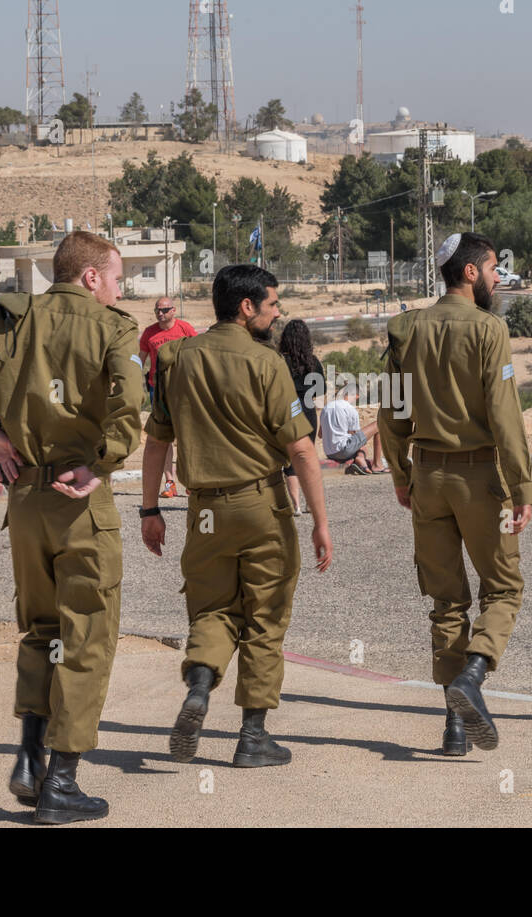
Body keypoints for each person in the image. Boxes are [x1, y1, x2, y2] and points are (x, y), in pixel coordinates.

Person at [0, 230, 144, 823]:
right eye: (117, 278)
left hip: (24, 496)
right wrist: (101, 462)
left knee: (41, 629)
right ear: (90, 277)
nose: (118, 289)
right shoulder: (114, 328)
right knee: (87, 636)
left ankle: (29, 760)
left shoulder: (10, 317)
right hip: (77, 497)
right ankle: (63, 782)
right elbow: (131, 406)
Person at [141, 264, 333, 768]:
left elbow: (156, 440)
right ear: (246, 308)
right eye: (272, 304)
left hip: (202, 511)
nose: (276, 313)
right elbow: (302, 450)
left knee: (211, 610)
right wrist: (319, 521)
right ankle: (252, 737)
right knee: (264, 617)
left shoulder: (174, 357)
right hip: (260, 505)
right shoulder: (265, 362)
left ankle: (200, 684)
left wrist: (149, 509)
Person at [378, 232, 532, 755]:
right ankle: (473, 674)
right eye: (492, 269)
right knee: (504, 590)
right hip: (481, 479)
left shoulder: (406, 329)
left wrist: (401, 473)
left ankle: (455, 727)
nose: (496, 278)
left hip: (427, 476)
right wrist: (522, 483)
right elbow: (504, 415)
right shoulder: (490, 329)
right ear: (470, 272)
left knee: (446, 603)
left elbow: (393, 410)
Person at [139, 297, 197, 497]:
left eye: (163, 310)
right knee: (162, 437)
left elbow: (196, 355)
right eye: (157, 310)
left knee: (186, 435)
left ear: (173, 310)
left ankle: (190, 480)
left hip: (183, 389)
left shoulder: (185, 329)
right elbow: (141, 359)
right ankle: (169, 482)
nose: (159, 313)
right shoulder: (149, 332)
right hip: (158, 390)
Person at [278, 318, 324, 513]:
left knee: (290, 461)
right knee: (308, 459)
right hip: (309, 411)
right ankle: (310, 503)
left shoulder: (280, 362)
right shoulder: (313, 362)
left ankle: (295, 505)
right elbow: (319, 392)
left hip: (289, 411)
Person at [319, 382, 386, 475]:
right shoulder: (350, 409)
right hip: (344, 451)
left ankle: (360, 458)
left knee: (359, 443)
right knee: (379, 424)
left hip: (329, 453)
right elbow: (354, 434)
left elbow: (320, 435)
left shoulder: (326, 408)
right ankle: (377, 465)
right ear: (357, 396)